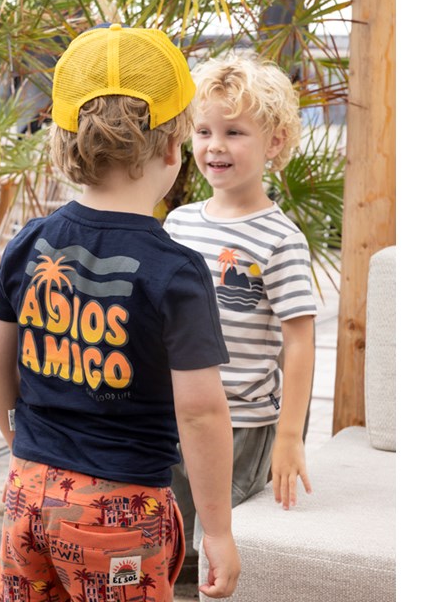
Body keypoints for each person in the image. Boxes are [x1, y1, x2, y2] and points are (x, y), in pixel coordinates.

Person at [0, 23, 241, 602]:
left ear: (64, 141)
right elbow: (200, 412)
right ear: (172, 148)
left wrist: (23, 443)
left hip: (27, 492)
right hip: (119, 512)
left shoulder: (29, 242)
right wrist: (217, 531)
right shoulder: (175, 271)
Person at [163, 52, 318, 578]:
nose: (215, 145)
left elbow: (299, 341)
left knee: (218, 540)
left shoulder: (280, 239)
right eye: (204, 131)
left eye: (234, 132)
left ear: (274, 142)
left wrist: (290, 437)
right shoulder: (178, 224)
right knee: (168, 537)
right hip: (175, 413)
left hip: (242, 424)